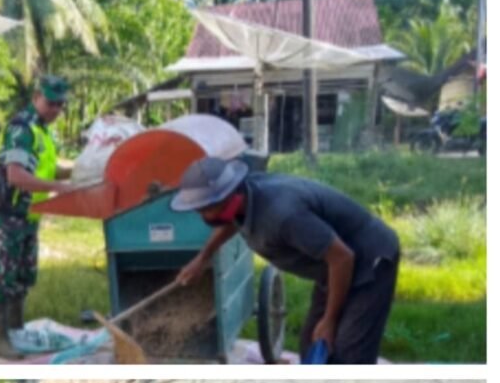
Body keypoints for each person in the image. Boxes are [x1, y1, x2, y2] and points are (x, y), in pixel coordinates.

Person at [171, 156, 400, 364]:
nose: (201, 216)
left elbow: (342, 258)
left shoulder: (282, 216)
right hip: (330, 269)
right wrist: (203, 257)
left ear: (228, 199)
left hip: (369, 261)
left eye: (204, 210)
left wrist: (330, 319)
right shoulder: (243, 200)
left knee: (349, 356)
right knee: (313, 345)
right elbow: (234, 222)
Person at [0, 75, 76, 359]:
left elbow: (45, 169)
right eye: (51, 103)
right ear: (37, 97)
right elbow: (17, 175)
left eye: (60, 105)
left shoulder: (44, 131)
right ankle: (0, 338)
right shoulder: (21, 128)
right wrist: (58, 187)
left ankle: (16, 331)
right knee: (2, 277)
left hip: (29, 216)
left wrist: (77, 170)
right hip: (8, 215)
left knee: (22, 277)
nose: (55, 110)